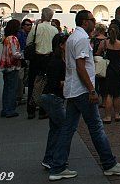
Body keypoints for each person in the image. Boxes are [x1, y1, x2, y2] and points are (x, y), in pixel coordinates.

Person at [49, 10, 120, 180]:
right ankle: (109, 164)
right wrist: (92, 90)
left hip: (73, 90)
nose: (95, 22)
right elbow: (81, 67)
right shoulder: (81, 39)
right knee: (96, 128)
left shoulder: (72, 38)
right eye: (93, 20)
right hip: (82, 91)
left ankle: (57, 166)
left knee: (68, 128)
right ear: (85, 22)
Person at [39, 33, 68, 170]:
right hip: (53, 97)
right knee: (64, 129)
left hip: (51, 97)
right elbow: (56, 82)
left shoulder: (55, 59)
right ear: (61, 45)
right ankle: (57, 161)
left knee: (55, 129)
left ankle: (49, 158)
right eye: (66, 43)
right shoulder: (57, 61)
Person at [27, 8, 59, 119]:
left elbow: (29, 42)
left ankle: (30, 110)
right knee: (47, 85)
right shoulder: (54, 30)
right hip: (49, 59)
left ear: (42, 15)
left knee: (32, 83)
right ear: (51, 16)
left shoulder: (35, 28)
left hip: (36, 58)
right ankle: (43, 110)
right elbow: (56, 46)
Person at [97, 25, 120, 124]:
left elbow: (97, 53)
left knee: (108, 93)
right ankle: (117, 114)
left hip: (108, 69)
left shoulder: (104, 43)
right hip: (117, 69)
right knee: (117, 94)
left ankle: (108, 116)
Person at [0, 19, 22, 118]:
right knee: (12, 89)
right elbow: (15, 54)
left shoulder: (6, 38)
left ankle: (5, 109)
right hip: (12, 66)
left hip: (6, 66)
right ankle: (10, 110)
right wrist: (22, 55)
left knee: (7, 88)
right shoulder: (13, 38)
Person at [16, 19, 33, 105]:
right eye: (27, 25)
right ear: (23, 26)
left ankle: (20, 95)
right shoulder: (20, 35)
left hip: (25, 58)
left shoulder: (28, 34)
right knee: (20, 77)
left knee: (23, 78)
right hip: (21, 58)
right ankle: (19, 96)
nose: (29, 26)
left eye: (30, 25)